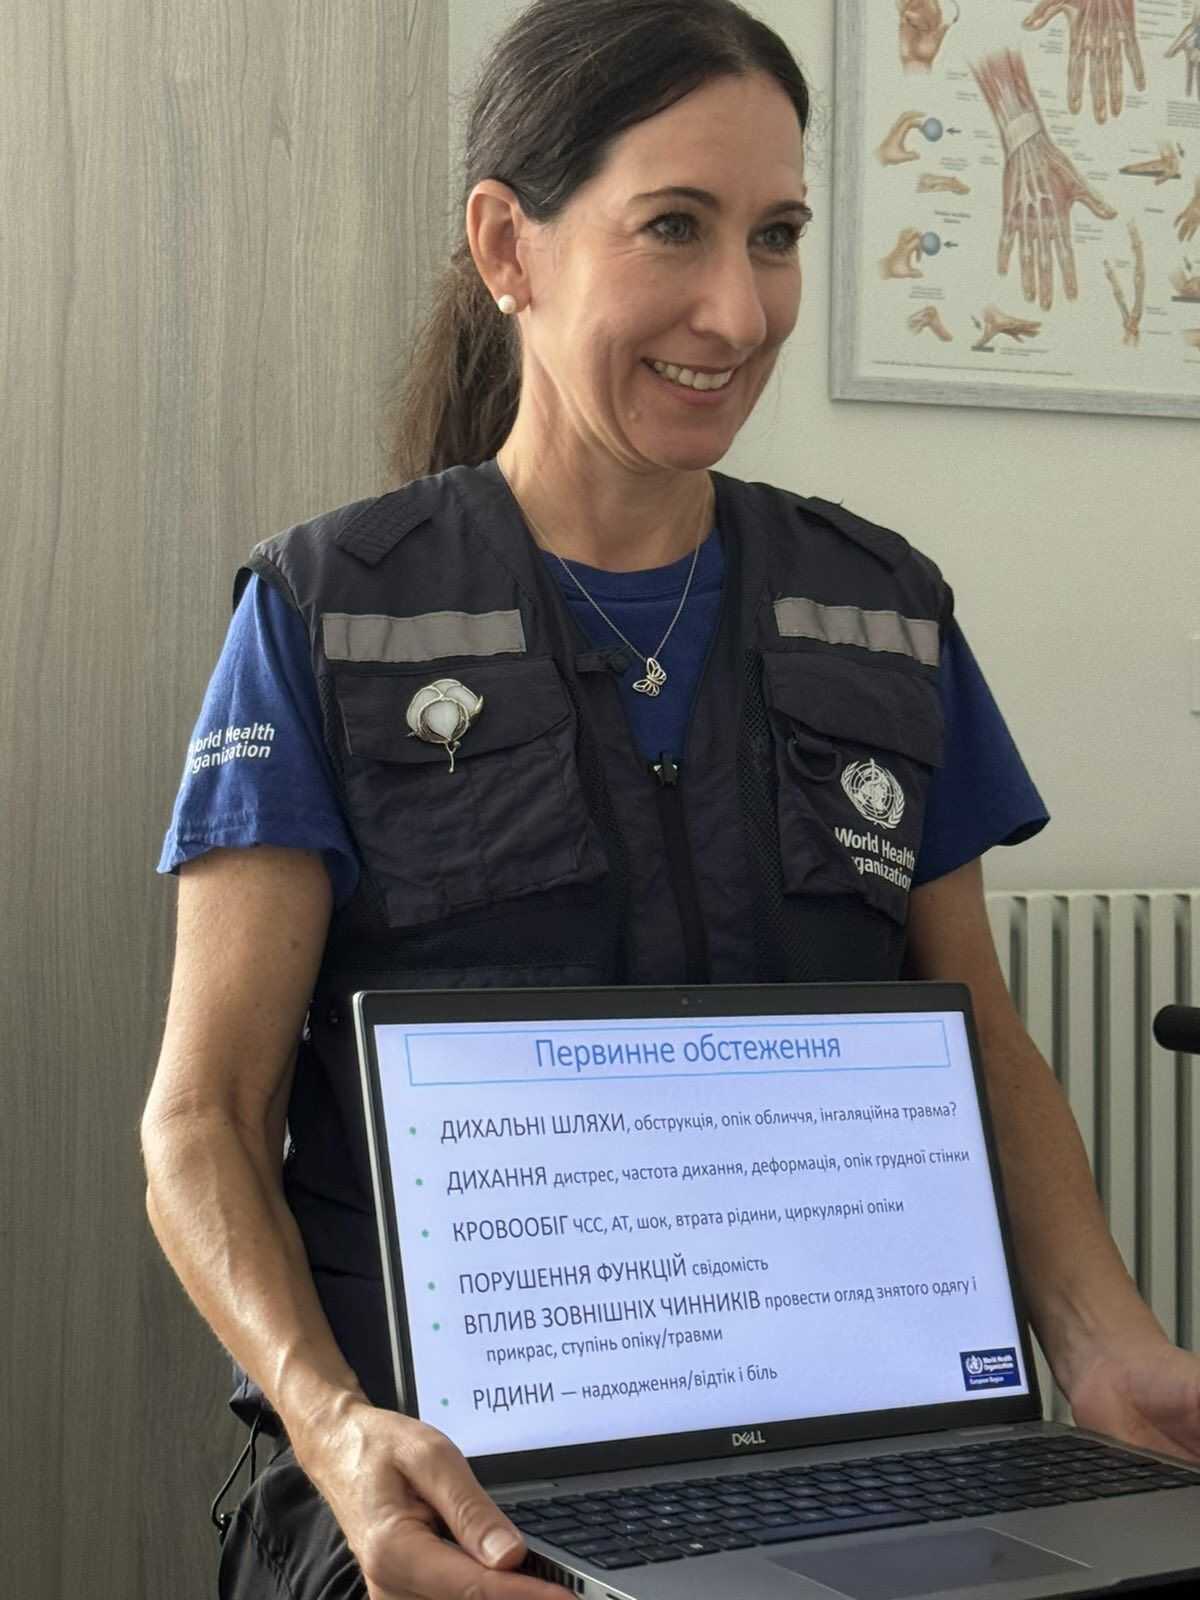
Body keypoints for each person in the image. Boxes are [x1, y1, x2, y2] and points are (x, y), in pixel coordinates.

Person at [141, 2, 1200, 1597]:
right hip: (445, 1495)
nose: (740, 309)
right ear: (508, 245)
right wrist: (335, 1427)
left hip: (865, 1466)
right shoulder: (330, 613)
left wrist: (1108, 1344)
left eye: (776, 235)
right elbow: (202, 1119)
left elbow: (979, 1032)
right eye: (675, 228)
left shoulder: (882, 611)